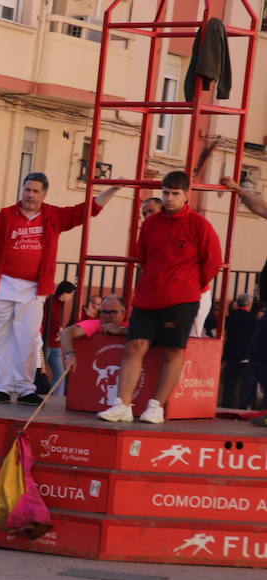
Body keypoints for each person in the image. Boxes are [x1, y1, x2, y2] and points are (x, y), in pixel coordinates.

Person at [0, 172, 120, 405]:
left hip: (33, 288)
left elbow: (86, 210)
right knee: (0, 337)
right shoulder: (5, 216)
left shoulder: (53, 215)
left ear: (44, 194)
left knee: (29, 338)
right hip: (3, 283)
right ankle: (2, 387)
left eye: (35, 191)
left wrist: (112, 189)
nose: (30, 195)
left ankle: (25, 388)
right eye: (27, 190)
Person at [99, 170, 222, 424]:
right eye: (166, 192)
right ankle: (122, 404)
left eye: (175, 194)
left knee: (172, 352)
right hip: (147, 298)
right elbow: (142, 256)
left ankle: (156, 407)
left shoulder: (200, 225)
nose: (169, 198)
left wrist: (189, 285)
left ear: (187, 195)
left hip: (182, 299)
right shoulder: (151, 224)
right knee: (134, 346)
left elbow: (213, 262)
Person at [60, 294, 128, 376]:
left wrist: (121, 330)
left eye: (112, 312)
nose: (107, 316)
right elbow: (66, 332)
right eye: (104, 312)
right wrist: (70, 355)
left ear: (123, 314)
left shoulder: (130, 327)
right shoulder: (96, 324)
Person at [39, 280, 77, 395]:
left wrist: (60, 331)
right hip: (46, 344)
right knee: (40, 373)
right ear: (65, 293)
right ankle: (43, 396)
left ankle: (50, 397)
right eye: (71, 294)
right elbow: (44, 322)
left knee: (60, 374)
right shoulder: (50, 302)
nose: (71, 297)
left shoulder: (61, 304)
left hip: (55, 345)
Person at [220, 294, 257, 408]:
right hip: (247, 354)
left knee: (230, 380)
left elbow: (225, 336)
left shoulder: (230, 317)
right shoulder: (253, 318)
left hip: (231, 353)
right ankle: (243, 405)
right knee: (247, 382)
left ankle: (227, 403)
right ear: (249, 304)